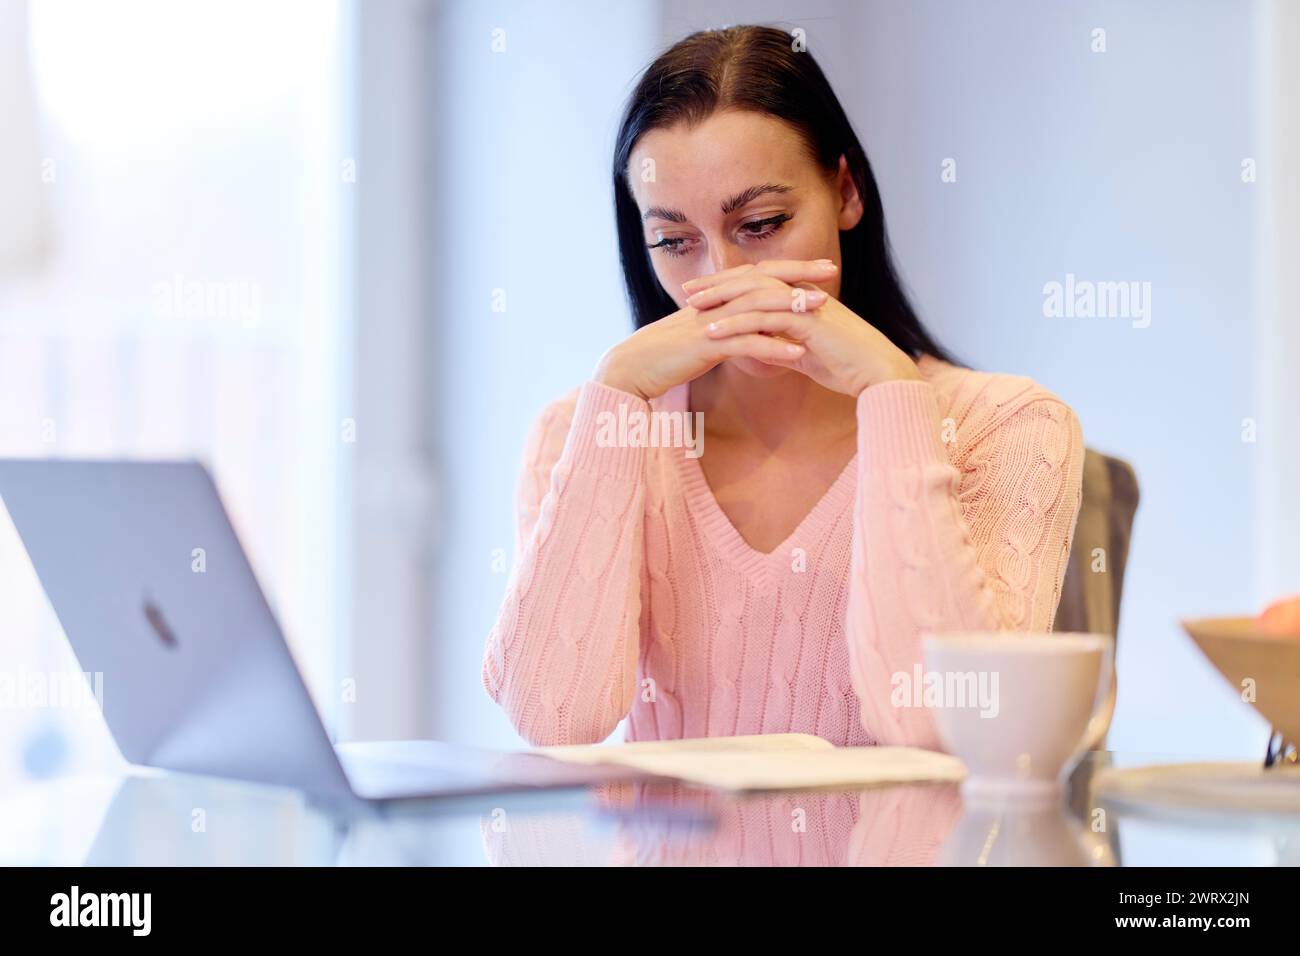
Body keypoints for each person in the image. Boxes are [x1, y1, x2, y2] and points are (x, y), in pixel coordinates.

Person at [482, 25, 1084, 750]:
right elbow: (554, 718)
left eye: (761, 224)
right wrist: (614, 393)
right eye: (674, 242)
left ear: (845, 191)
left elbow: (941, 728)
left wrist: (891, 394)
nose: (722, 278)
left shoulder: (1007, 427)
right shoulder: (585, 430)